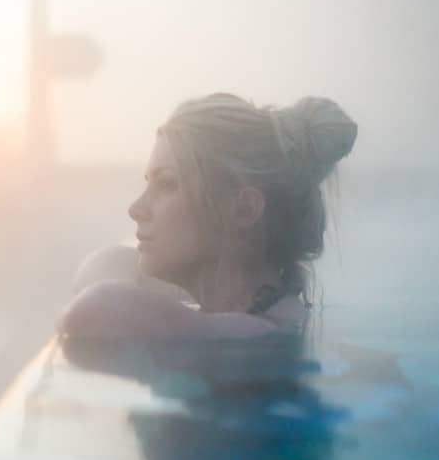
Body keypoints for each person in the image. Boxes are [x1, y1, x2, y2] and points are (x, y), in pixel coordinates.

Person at [59, 93, 357, 340]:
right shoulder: (225, 312)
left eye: (166, 184)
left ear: (243, 210)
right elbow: (105, 261)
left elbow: (94, 309)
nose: (136, 208)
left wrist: (116, 298)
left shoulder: (260, 333)